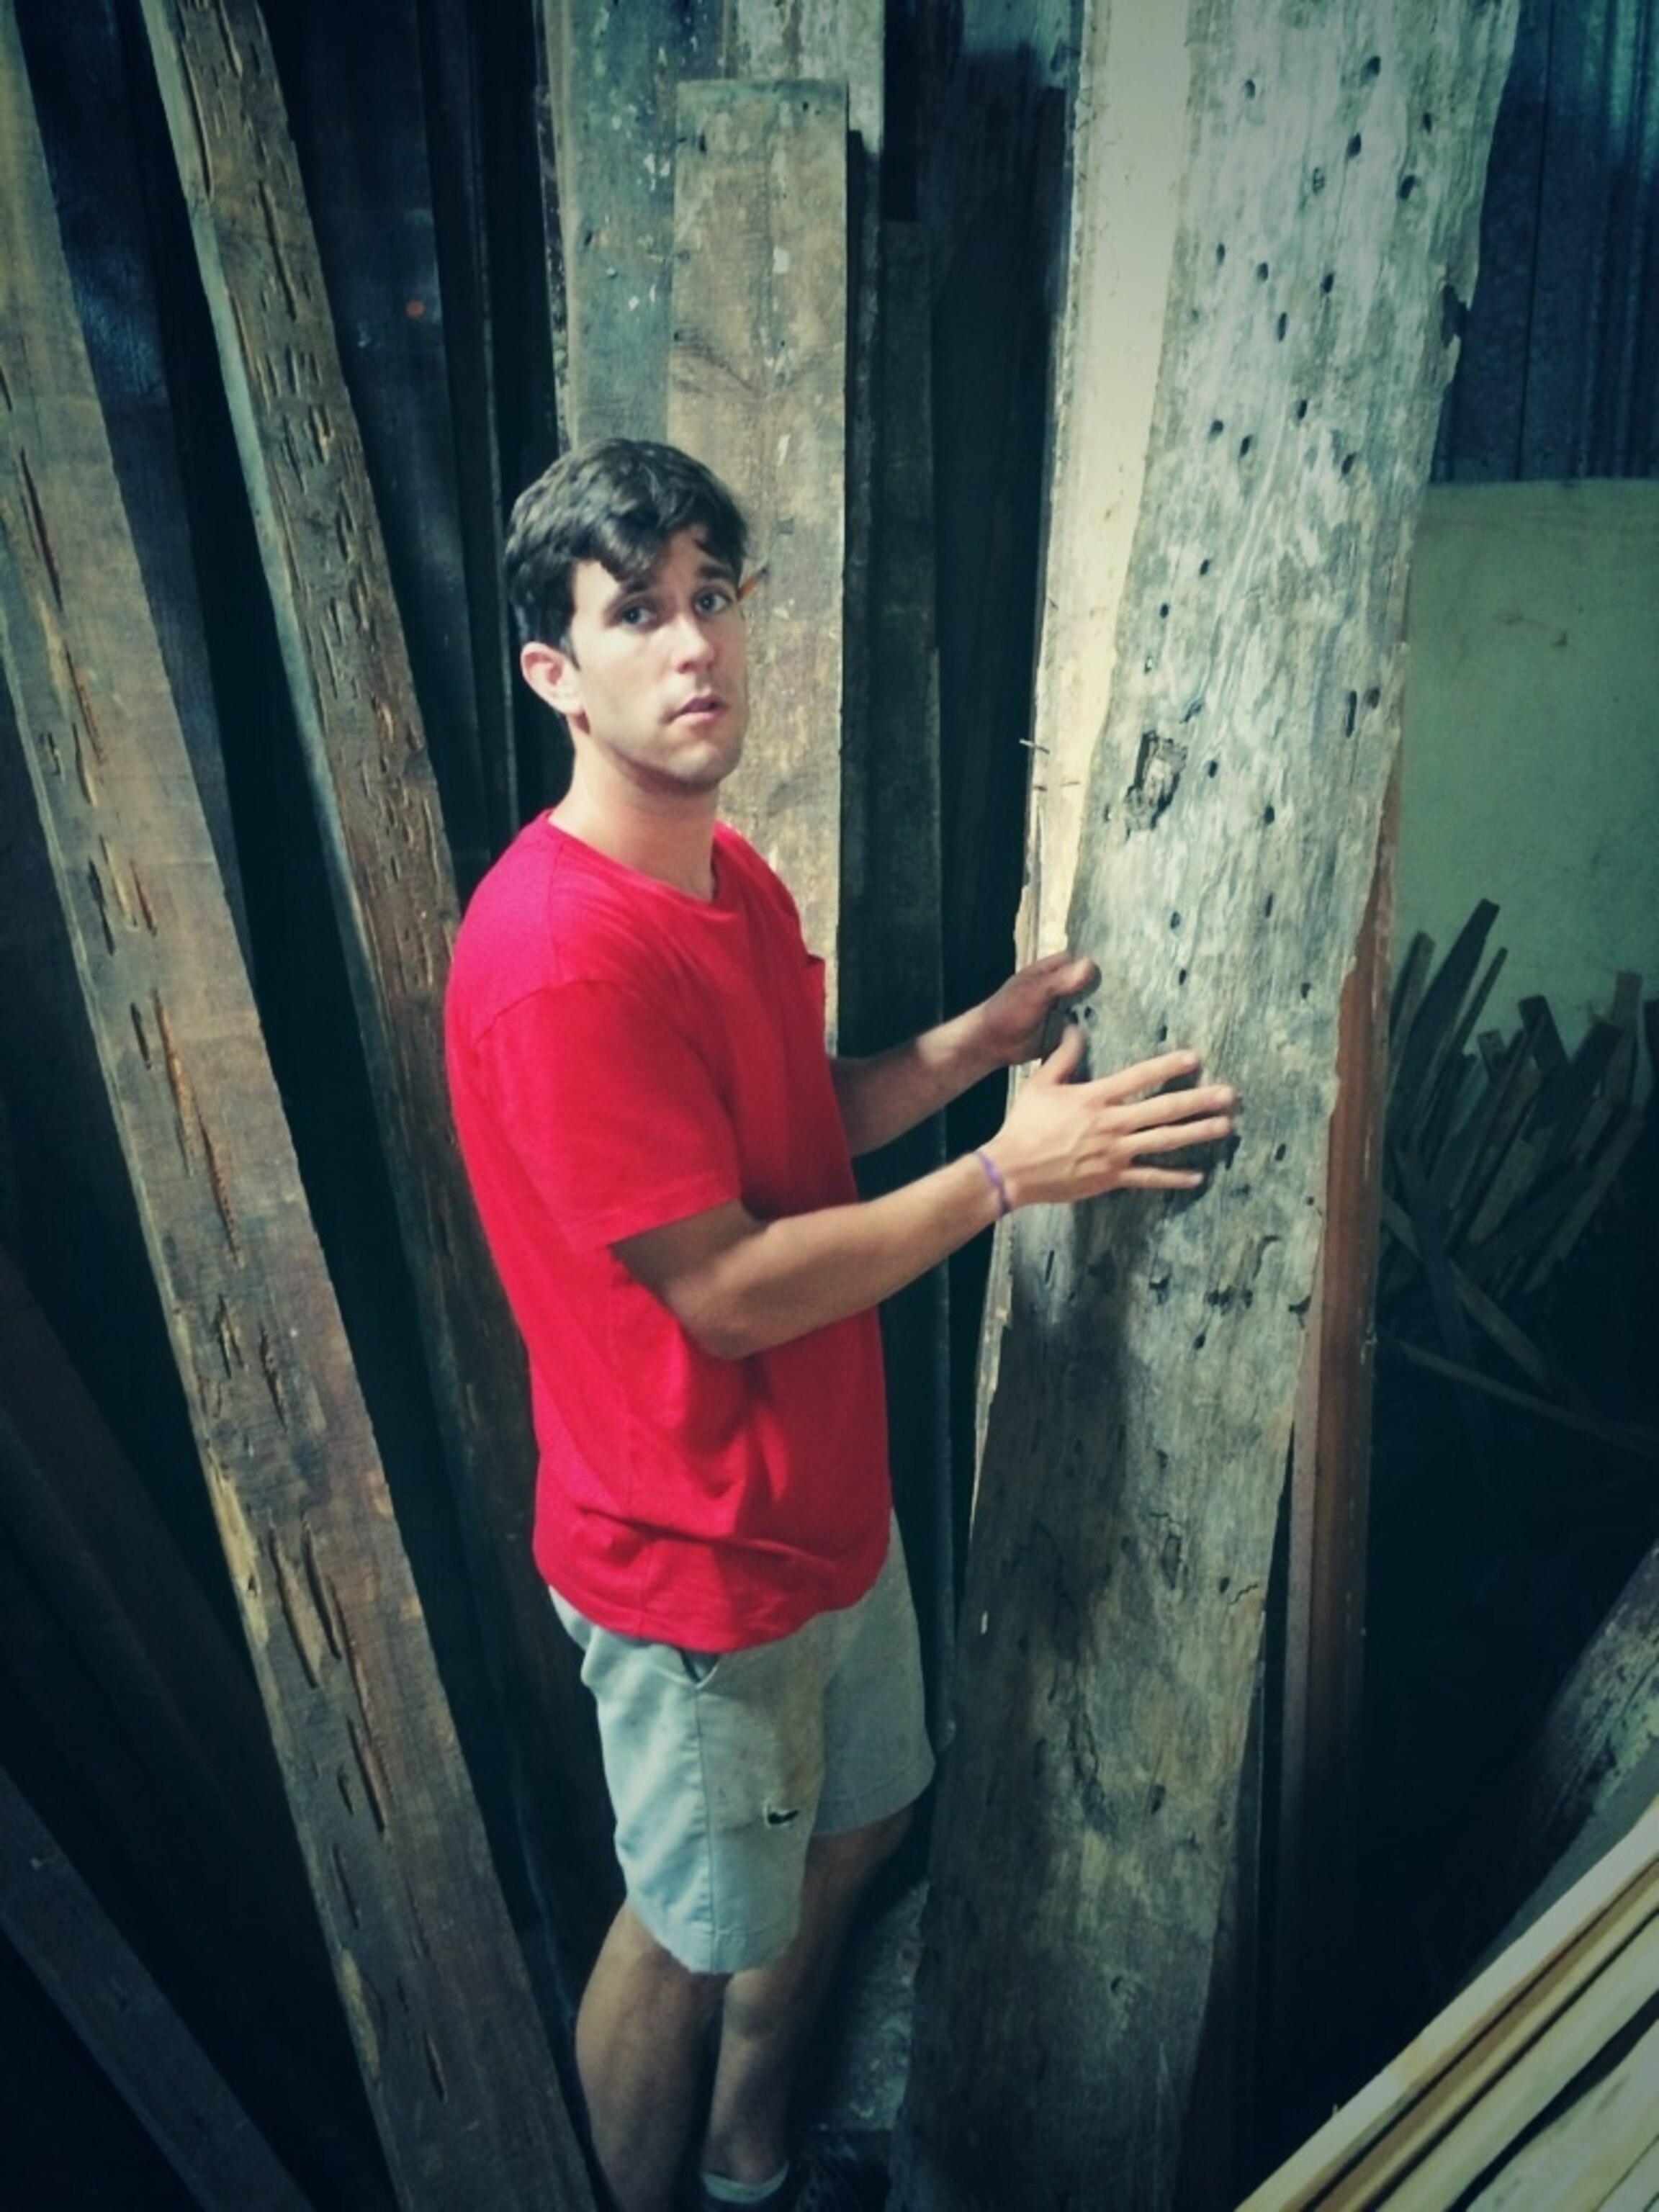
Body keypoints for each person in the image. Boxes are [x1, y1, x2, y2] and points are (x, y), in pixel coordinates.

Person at [444, 439, 1236, 2212]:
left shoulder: (735, 885)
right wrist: (1011, 1180)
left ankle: (747, 2159)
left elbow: (793, 1130)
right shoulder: (559, 958)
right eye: (635, 614)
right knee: (688, 1929)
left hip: (822, 1508)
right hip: (689, 1559)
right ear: (555, 676)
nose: (691, 646)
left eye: (710, 598)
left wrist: (975, 1048)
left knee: (865, 1823)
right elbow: (723, 1289)